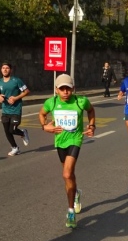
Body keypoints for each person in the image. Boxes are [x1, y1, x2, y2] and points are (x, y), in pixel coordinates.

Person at [39, 74, 95, 229]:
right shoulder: (51, 103)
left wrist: (92, 126)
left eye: (68, 89)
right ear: (56, 89)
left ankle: (70, 212)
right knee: (69, 175)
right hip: (60, 141)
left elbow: (91, 111)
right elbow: (41, 114)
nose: (65, 92)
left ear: (73, 89)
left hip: (75, 139)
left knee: (66, 174)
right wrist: (45, 126)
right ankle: (75, 193)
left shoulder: (81, 101)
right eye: (62, 89)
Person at [0, 62, 30, 156]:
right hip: (5, 110)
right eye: (3, 68)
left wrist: (16, 98)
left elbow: (26, 91)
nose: (5, 70)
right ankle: (15, 148)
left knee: (12, 130)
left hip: (16, 110)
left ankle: (23, 132)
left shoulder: (16, 80)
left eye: (7, 68)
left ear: (11, 70)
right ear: (1, 70)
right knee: (7, 131)